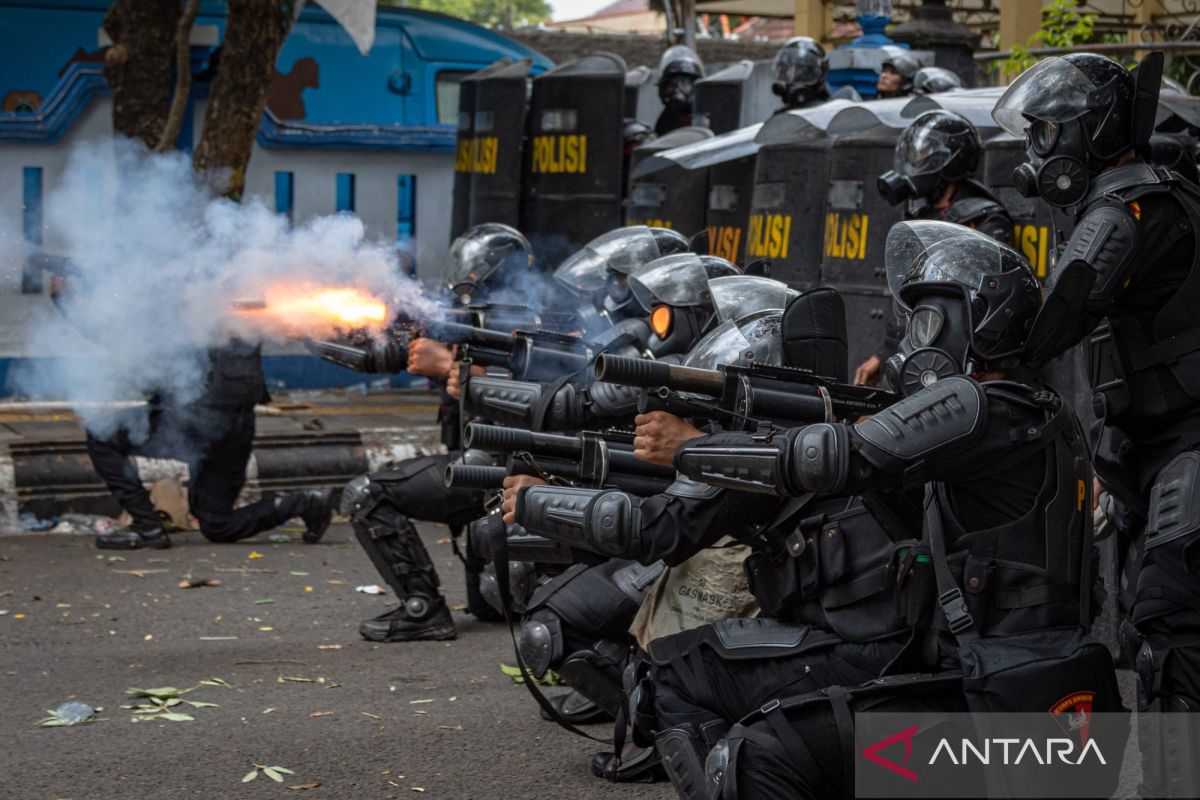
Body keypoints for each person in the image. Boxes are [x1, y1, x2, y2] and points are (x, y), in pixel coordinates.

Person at [666, 222, 1105, 798]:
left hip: (998, 713)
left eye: (930, 321)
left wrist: (691, 448)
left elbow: (830, 458)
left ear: (983, 319)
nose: (915, 340)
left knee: (756, 757)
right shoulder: (1032, 414)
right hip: (1026, 701)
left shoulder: (983, 406)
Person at [993, 51, 1200, 796]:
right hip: (1151, 445)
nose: (1037, 150)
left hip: (1189, 441)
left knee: (1169, 628)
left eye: (1049, 133)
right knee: (1156, 624)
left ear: (1097, 131)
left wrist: (981, 352)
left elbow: (1059, 313)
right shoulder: (1140, 194)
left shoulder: (1127, 205)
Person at [346, 224, 538, 643]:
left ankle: (423, 609)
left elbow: (533, 396)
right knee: (489, 603)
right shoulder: (472, 318)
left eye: (474, 270)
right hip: (486, 465)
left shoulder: (525, 325)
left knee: (367, 495)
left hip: (508, 468)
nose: (465, 278)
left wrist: (451, 368)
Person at [86, 339, 334, 550]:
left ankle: (146, 527)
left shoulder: (194, 301)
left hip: (194, 414)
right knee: (218, 524)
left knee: (101, 435)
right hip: (238, 418)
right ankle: (304, 503)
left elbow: (154, 357)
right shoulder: (247, 300)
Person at [855, 109, 1014, 386]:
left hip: (951, 363)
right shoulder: (921, 217)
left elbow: (997, 303)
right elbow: (905, 302)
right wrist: (882, 356)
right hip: (911, 356)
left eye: (924, 156)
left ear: (951, 162)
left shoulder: (982, 220)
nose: (915, 164)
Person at [655, 45, 705, 137]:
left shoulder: (705, 117)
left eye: (684, 84)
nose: (676, 91)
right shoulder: (666, 119)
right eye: (670, 86)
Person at [771, 37, 829, 112]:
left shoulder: (832, 110)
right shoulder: (781, 115)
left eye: (803, 76)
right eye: (786, 74)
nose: (792, 82)